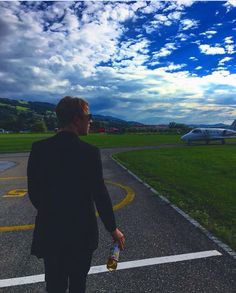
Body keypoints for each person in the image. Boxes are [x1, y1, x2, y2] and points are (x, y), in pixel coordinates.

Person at [27, 96, 125, 293]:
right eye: (88, 116)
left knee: (54, 284)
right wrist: (112, 228)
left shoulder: (39, 149)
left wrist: (53, 211)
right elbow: (100, 194)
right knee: (78, 284)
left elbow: (34, 193)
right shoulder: (89, 152)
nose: (90, 121)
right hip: (81, 232)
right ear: (76, 119)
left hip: (51, 230)